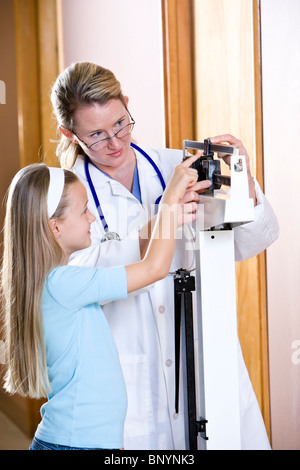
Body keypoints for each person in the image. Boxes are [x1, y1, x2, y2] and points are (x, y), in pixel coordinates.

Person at [50, 62, 279, 450]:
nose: (115, 142)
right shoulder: (64, 196)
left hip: (205, 362)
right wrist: (165, 216)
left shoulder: (178, 165)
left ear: (127, 103)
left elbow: (252, 242)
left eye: (121, 123)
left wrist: (245, 185)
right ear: (69, 134)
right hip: (133, 379)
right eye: (97, 135)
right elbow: (79, 280)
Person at [1, 157, 201, 450]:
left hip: (85, 440)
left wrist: (168, 218)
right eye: (83, 211)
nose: (92, 217)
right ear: (55, 228)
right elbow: (154, 269)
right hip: (77, 444)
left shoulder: (56, 282)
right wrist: (169, 201)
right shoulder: (64, 283)